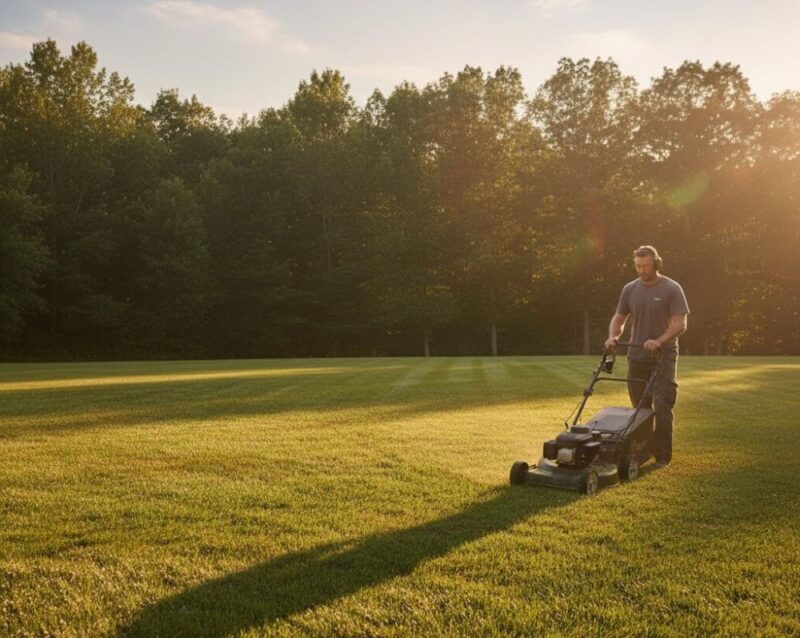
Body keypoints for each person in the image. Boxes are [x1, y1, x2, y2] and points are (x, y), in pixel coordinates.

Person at [604, 246, 689, 468]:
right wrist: (613, 337)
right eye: (638, 266)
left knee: (662, 403)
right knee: (640, 406)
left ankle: (662, 457)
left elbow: (680, 323)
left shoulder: (672, 288)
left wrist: (659, 341)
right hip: (637, 355)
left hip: (664, 355)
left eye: (646, 266)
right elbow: (619, 317)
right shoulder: (630, 289)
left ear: (656, 264)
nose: (641, 270)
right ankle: (645, 450)